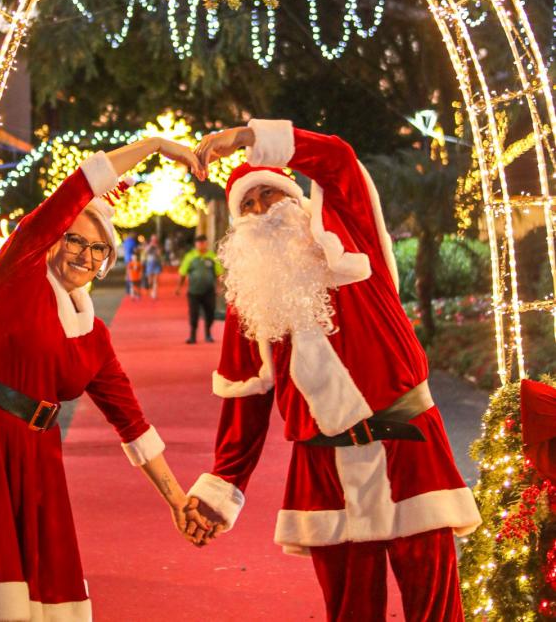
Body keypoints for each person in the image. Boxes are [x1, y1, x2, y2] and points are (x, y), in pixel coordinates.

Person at [0, 136, 209, 621]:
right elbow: (79, 185)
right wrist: (155, 145)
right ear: (54, 238)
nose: (85, 253)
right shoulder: (17, 273)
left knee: (21, 604)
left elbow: (133, 424)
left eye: (98, 249)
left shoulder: (93, 334)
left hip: (33, 460)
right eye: (75, 239)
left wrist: (177, 501)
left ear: (107, 261)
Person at [186, 120, 481, 622]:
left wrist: (245, 136)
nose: (261, 213)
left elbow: (338, 158)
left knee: (434, 605)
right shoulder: (252, 304)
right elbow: (244, 405)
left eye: (269, 197)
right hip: (323, 467)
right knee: (349, 610)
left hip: (406, 444)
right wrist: (221, 490)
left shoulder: (353, 242)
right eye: (248, 207)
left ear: (295, 200)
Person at [177, 234, 222, 344]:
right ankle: (192, 336)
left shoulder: (212, 256)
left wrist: (219, 287)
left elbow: (219, 273)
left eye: (203, 242)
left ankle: (208, 334)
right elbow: (183, 273)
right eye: (199, 243)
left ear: (206, 243)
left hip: (209, 291)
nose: (201, 245)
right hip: (194, 291)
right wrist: (178, 287)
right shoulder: (190, 256)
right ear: (196, 244)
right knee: (194, 314)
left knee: (210, 313)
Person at [144, 235, 163, 299]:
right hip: (149, 263)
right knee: (150, 280)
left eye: (155, 239)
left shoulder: (158, 246)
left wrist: (156, 247)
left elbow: (159, 254)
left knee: (156, 279)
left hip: (156, 263)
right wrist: (150, 246)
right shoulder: (148, 245)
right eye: (153, 239)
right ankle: (151, 290)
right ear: (151, 240)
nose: (154, 241)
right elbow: (145, 252)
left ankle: (154, 292)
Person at [122, 231, 139, 295]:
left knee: (127, 273)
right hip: (131, 259)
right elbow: (135, 250)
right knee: (131, 274)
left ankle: (128, 289)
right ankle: (130, 289)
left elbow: (124, 249)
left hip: (126, 258)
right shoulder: (132, 241)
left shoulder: (126, 241)